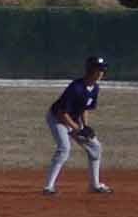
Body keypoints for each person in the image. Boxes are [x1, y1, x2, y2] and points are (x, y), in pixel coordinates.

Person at [44, 55, 111, 196]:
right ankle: (48, 187)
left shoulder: (95, 89)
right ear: (90, 70)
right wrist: (78, 129)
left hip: (72, 119)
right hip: (57, 118)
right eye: (98, 70)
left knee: (95, 147)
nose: (101, 73)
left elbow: (84, 108)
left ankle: (95, 185)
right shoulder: (76, 88)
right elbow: (62, 113)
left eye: (102, 70)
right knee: (64, 148)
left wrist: (85, 126)